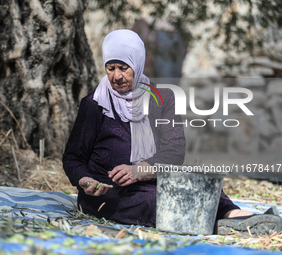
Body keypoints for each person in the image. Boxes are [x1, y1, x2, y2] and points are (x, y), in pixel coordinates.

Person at [63, 29, 281, 235]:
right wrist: (83, 179)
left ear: (137, 65)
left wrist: (140, 170)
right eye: (110, 68)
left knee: (201, 185)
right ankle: (233, 225)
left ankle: (240, 216)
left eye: (123, 68)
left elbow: (175, 150)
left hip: (153, 179)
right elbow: (74, 157)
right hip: (109, 193)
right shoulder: (94, 104)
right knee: (157, 201)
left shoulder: (162, 98)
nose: (116, 76)